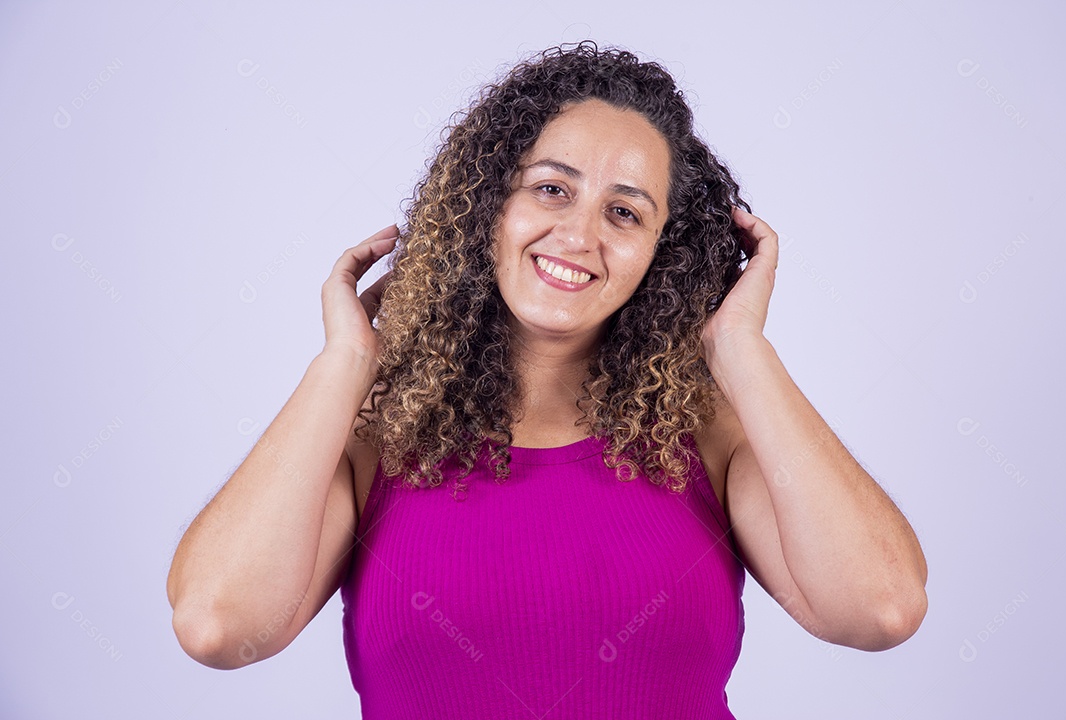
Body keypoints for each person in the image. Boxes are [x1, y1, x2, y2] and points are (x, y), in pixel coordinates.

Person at [167, 41, 928, 718]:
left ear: (664, 252)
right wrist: (345, 365)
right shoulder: (374, 436)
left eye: (625, 213)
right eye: (551, 189)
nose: (579, 235)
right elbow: (218, 626)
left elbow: (880, 610)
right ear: (486, 205)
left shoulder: (707, 432)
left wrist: (741, 347)